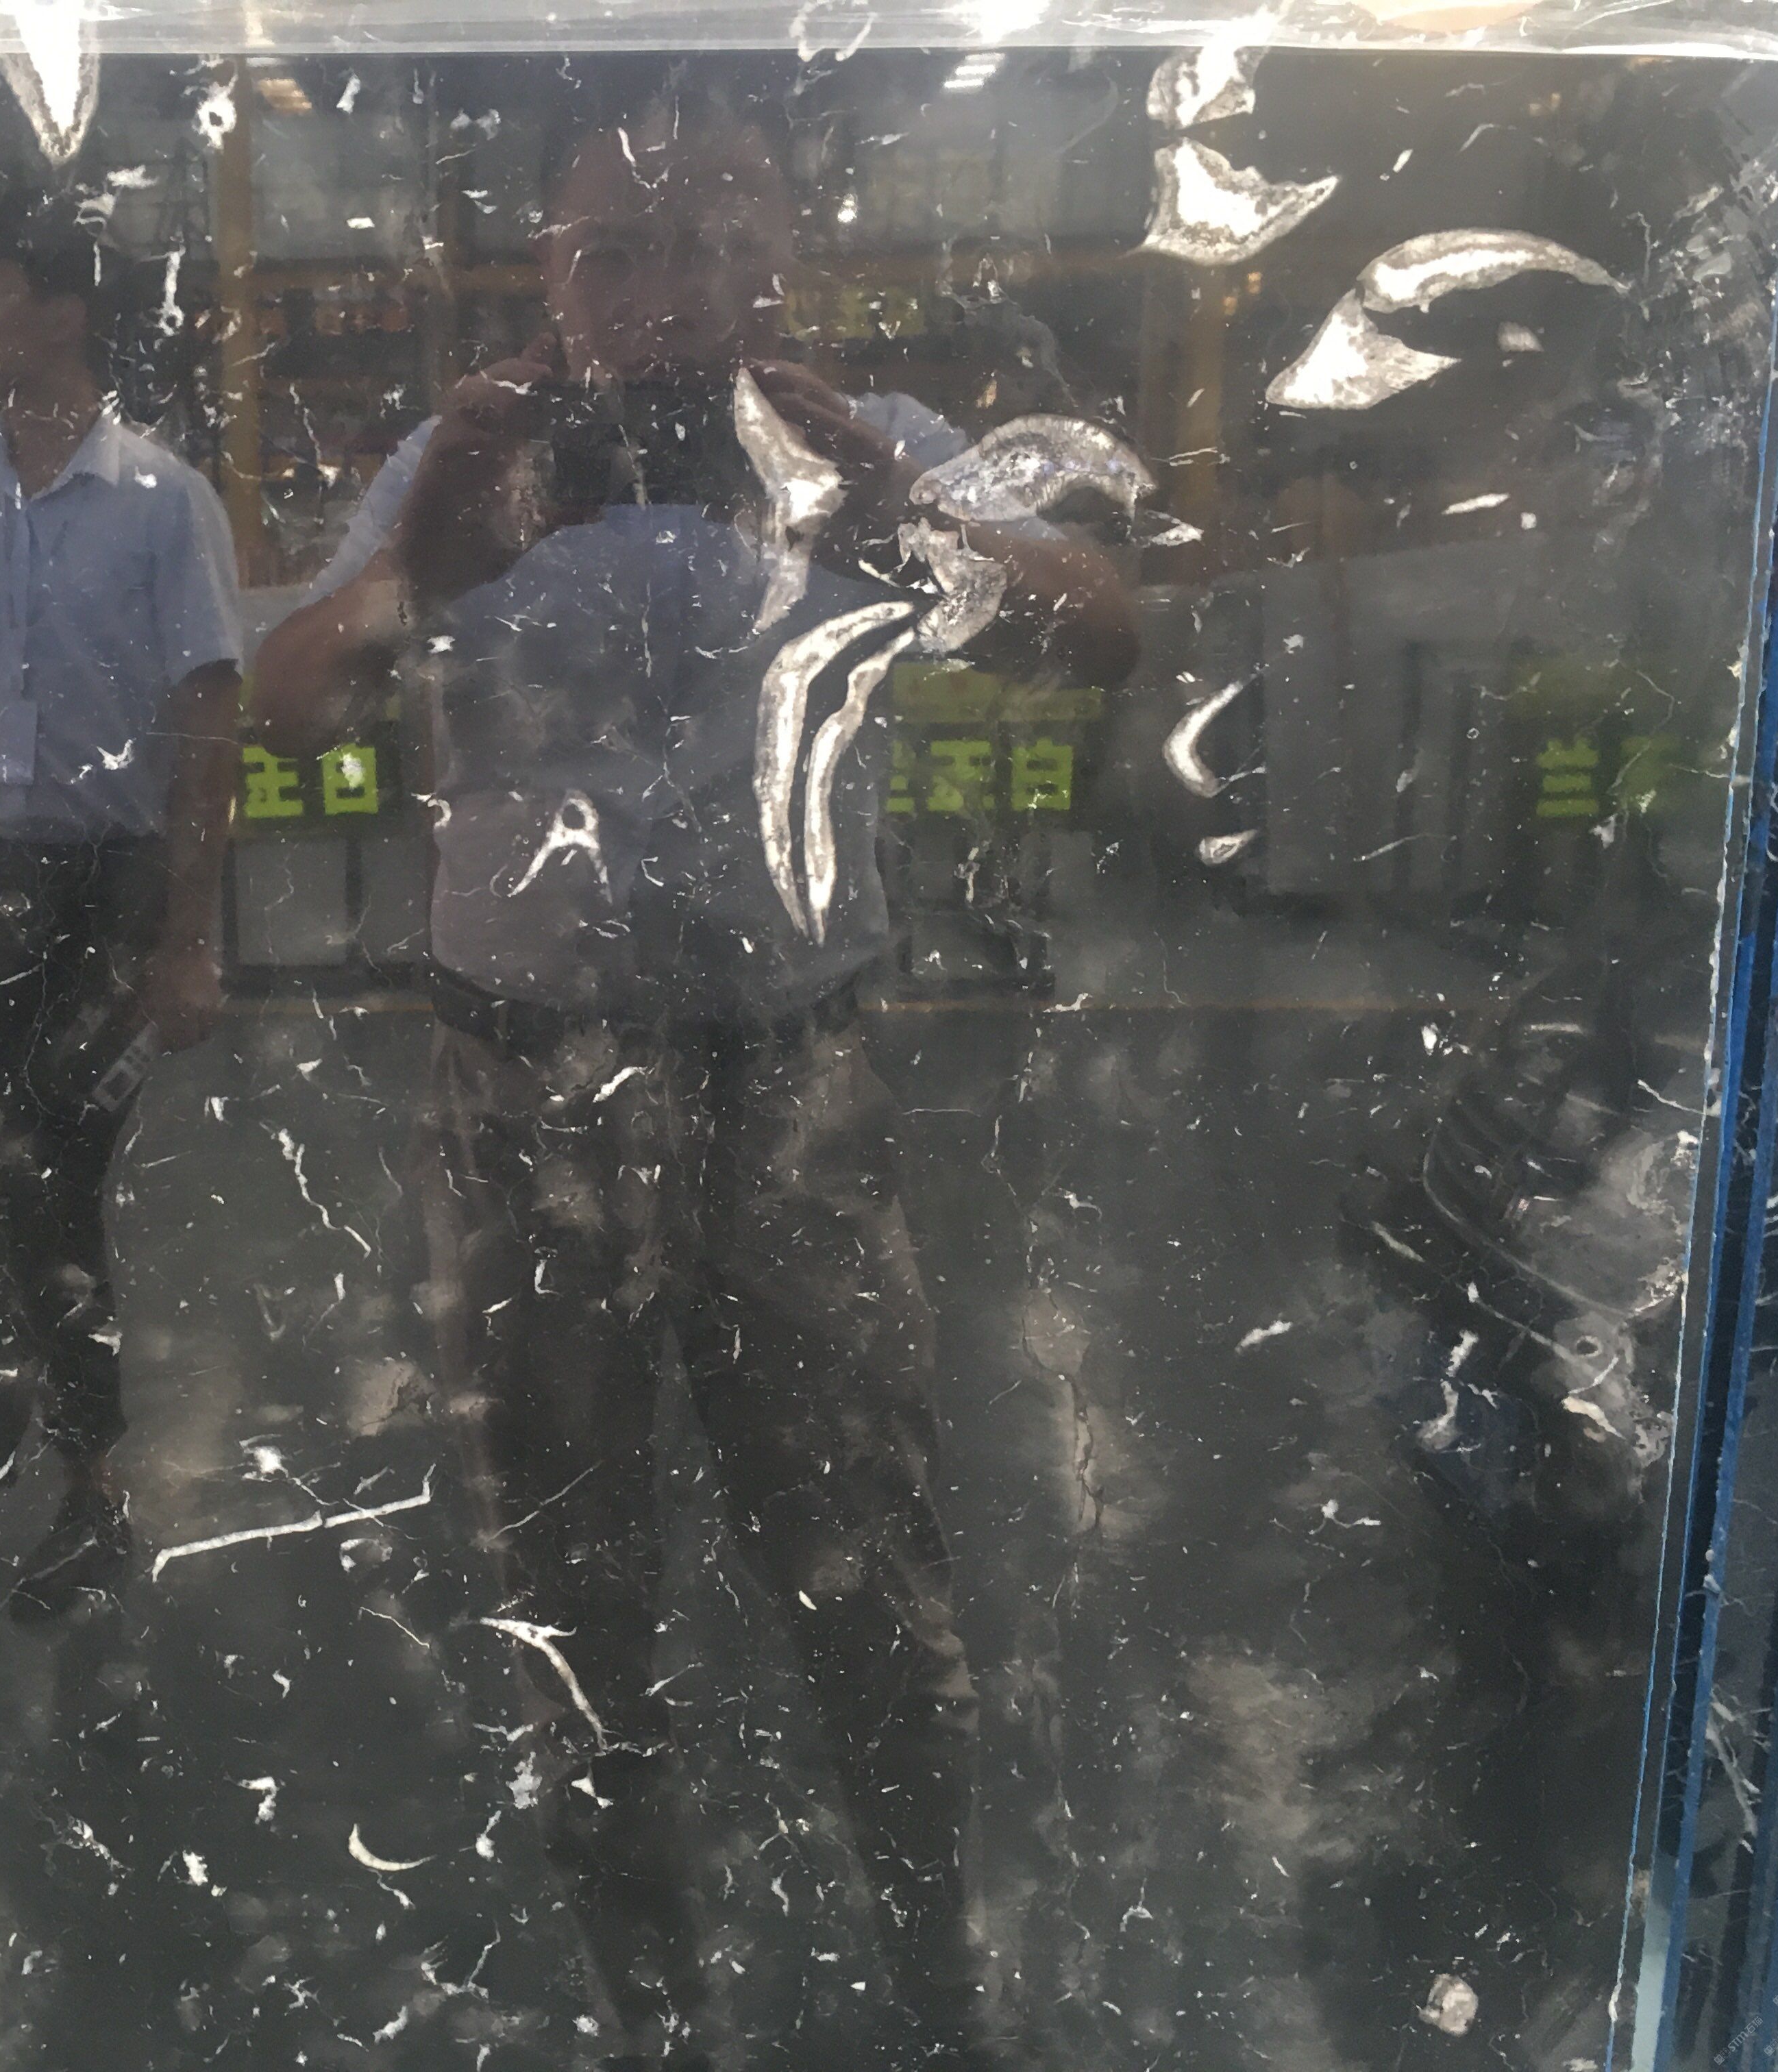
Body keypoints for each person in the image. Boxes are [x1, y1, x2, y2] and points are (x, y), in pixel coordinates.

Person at [251, 64, 1134, 2072]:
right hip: (521, 1091)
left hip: (785, 1085)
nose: (663, 291)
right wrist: (426, 567)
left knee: (872, 1569)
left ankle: (940, 1982)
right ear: (550, 273)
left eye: (713, 239)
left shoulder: (870, 447)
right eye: (617, 249)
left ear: (779, 260)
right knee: (569, 1592)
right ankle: (654, 2012)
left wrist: (906, 516)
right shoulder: (468, 461)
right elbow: (289, 695)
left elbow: (1106, 633)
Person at [0, 203, 244, 1636]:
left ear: (66, 315)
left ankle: (36, 1483)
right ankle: (60, 1482)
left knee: (42, 1179)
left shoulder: (162, 501)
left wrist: (189, 937)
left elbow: (207, 718)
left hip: (114, 890)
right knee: (28, 1179)